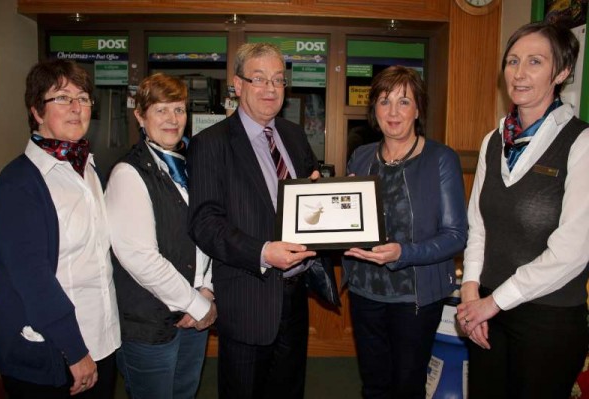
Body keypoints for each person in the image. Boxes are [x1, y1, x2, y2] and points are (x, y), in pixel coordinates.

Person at [457, 21, 589, 399]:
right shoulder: (494, 141)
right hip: (486, 311)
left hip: (548, 320)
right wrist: (470, 296)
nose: (519, 72)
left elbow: (572, 251)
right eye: (513, 60)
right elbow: (478, 225)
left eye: (535, 61)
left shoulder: (580, 142)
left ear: (561, 72)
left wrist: (491, 303)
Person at [186, 42, 319, 399]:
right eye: (259, 79)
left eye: (278, 79)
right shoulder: (210, 143)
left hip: (294, 299)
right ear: (238, 84)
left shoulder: (292, 135)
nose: (271, 89)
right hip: (247, 300)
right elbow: (204, 222)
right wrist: (262, 252)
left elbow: (306, 198)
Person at [0, 59, 120, 398]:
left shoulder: (89, 168)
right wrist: (74, 350)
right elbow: (32, 277)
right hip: (52, 349)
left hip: (101, 339)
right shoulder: (19, 182)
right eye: (62, 97)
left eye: (84, 97)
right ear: (36, 110)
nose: (77, 108)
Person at [343, 65, 468, 399]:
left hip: (415, 297)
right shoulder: (361, 157)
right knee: (373, 384)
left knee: (408, 385)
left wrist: (403, 253)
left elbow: (457, 235)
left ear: (418, 109)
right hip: (364, 290)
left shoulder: (440, 158)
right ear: (374, 110)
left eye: (403, 101)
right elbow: (350, 221)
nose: (393, 112)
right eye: (384, 102)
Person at [105, 73, 217, 399]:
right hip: (150, 324)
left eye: (179, 110)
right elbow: (140, 257)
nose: (172, 119)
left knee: (184, 392)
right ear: (140, 115)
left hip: (195, 312)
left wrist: (208, 288)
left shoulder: (189, 166)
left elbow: (206, 233)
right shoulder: (129, 173)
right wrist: (197, 303)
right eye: (161, 110)